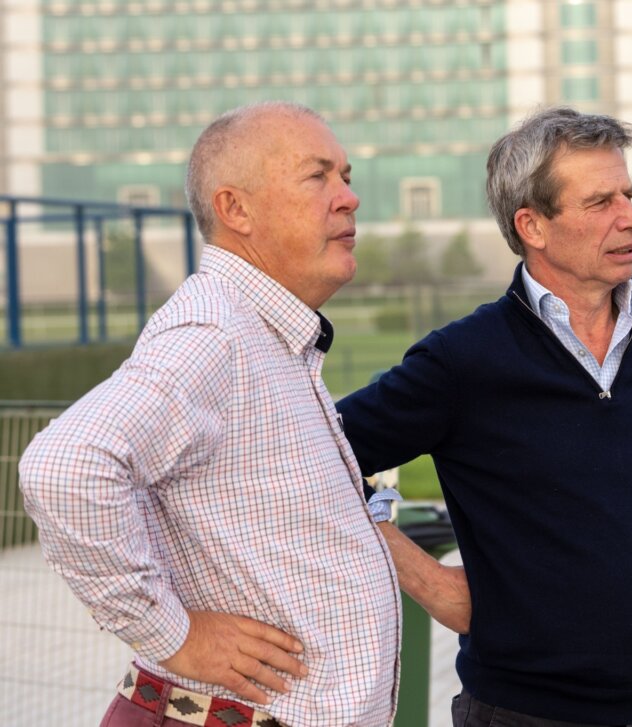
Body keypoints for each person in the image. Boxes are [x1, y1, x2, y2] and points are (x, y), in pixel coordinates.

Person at [338, 107, 632, 727]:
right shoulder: (462, 361)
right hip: (520, 714)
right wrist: (435, 587)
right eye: (600, 202)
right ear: (533, 226)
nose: (631, 217)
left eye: (628, 194)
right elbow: (318, 458)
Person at [19, 102, 406, 727]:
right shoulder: (214, 335)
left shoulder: (261, 336)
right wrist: (174, 636)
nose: (350, 198)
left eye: (347, 175)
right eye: (318, 176)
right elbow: (65, 467)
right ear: (236, 209)